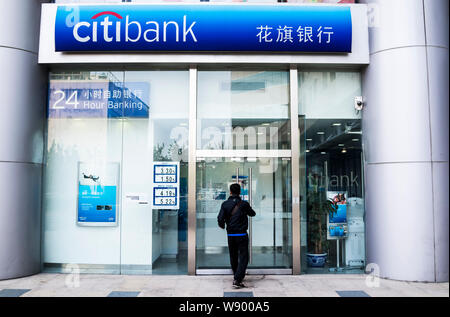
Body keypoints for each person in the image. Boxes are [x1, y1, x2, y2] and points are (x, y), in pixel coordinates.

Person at [217, 183, 256, 289]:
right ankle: (237, 279)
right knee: (244, 256)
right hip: (242, 234)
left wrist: (223, 226)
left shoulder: (225, 204)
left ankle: (237, 276)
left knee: (233, 255)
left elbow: (220, 219)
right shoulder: (244, 204)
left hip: (231, 234)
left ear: (230, 192)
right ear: (239, 192)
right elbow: (253, 213)